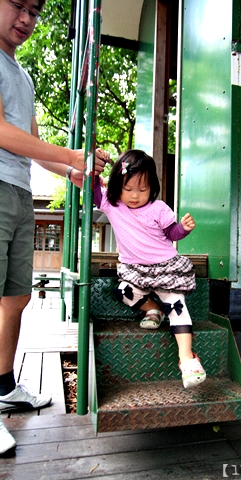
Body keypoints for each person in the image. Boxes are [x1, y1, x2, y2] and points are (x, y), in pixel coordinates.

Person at [0, 0, 105, 455]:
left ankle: (5, 386)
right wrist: (72, 155)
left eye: (34, 11)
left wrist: (68, 171)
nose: (25, 18)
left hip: (19, 192)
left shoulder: (21, 74)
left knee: (16, 297)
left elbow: (32, 142)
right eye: (16, 5)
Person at [94, 149, 207, 391]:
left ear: (152, 188)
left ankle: (187, 359)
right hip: (135, 269)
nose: (135, 195)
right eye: (128, 189)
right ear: (117, 186)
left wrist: (183, 229)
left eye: (142, 190)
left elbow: (172, 234)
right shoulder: (112, 205)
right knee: (123, 291)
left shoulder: (158, 208)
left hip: (165, 266)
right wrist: (96, 164)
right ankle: (153, 309)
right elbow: (93, 191)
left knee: (176, 306)